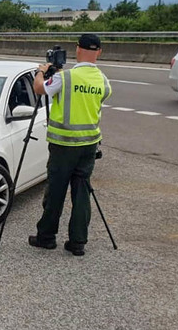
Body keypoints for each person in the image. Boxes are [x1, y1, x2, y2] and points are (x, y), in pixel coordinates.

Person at [28, 33, 111, 256]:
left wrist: (41, 72)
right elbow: (101, 99)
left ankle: (46, 237)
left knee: (55, 192)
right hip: (89, 146)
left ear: (77, 49)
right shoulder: (103, 80)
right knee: (82, 192)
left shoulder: (66, 78)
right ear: (99, 52)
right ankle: (78, 242)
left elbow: (39, 89)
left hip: (63, 145)